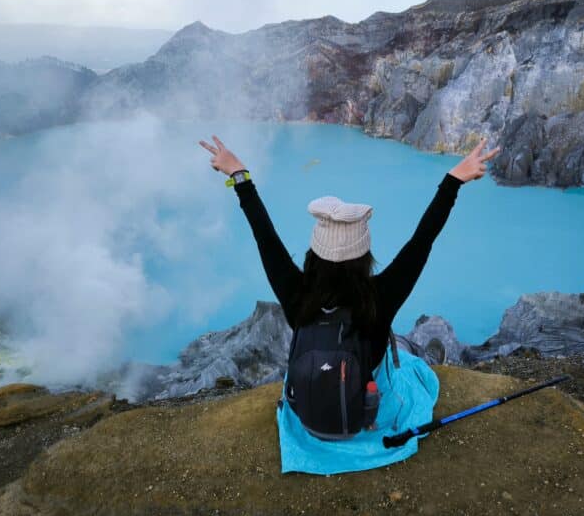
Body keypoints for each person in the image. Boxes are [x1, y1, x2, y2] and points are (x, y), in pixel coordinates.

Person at [197, 134, 499, 375]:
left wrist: (239, 174)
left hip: (308, 411)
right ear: (364, 254)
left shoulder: (296, 295)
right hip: (362, 409)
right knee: (406, 363)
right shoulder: (380, 297)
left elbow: (264, 234)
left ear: (314, 252)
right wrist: (454, 179)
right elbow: (423, 239)